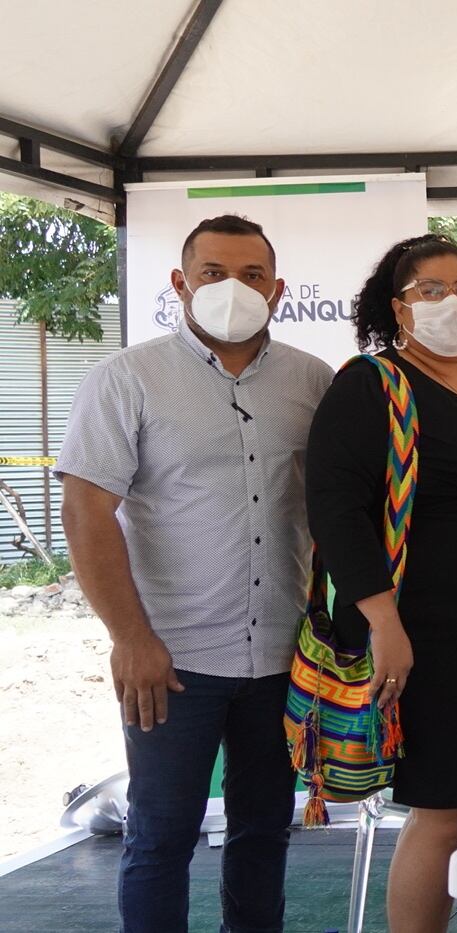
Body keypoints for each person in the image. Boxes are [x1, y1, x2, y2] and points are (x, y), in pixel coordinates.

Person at [57, 214, 332, 932]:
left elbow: (334, 507)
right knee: (162, 836)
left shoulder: (313, 380)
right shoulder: (127, 378)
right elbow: (87, 511)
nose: (233, 288)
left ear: (278, 290)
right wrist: (130, 637)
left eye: (251, 275)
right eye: (213, 273)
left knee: (264, 830)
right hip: (170, 660)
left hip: (280, 656)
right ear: (180, 283)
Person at [305, 233, 457, 933]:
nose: (453, 302)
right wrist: (384, 623)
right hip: (429, 638)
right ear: (397, 307)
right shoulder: (371, 383)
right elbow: (336, 510)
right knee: (444, 812)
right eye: (431, 290)